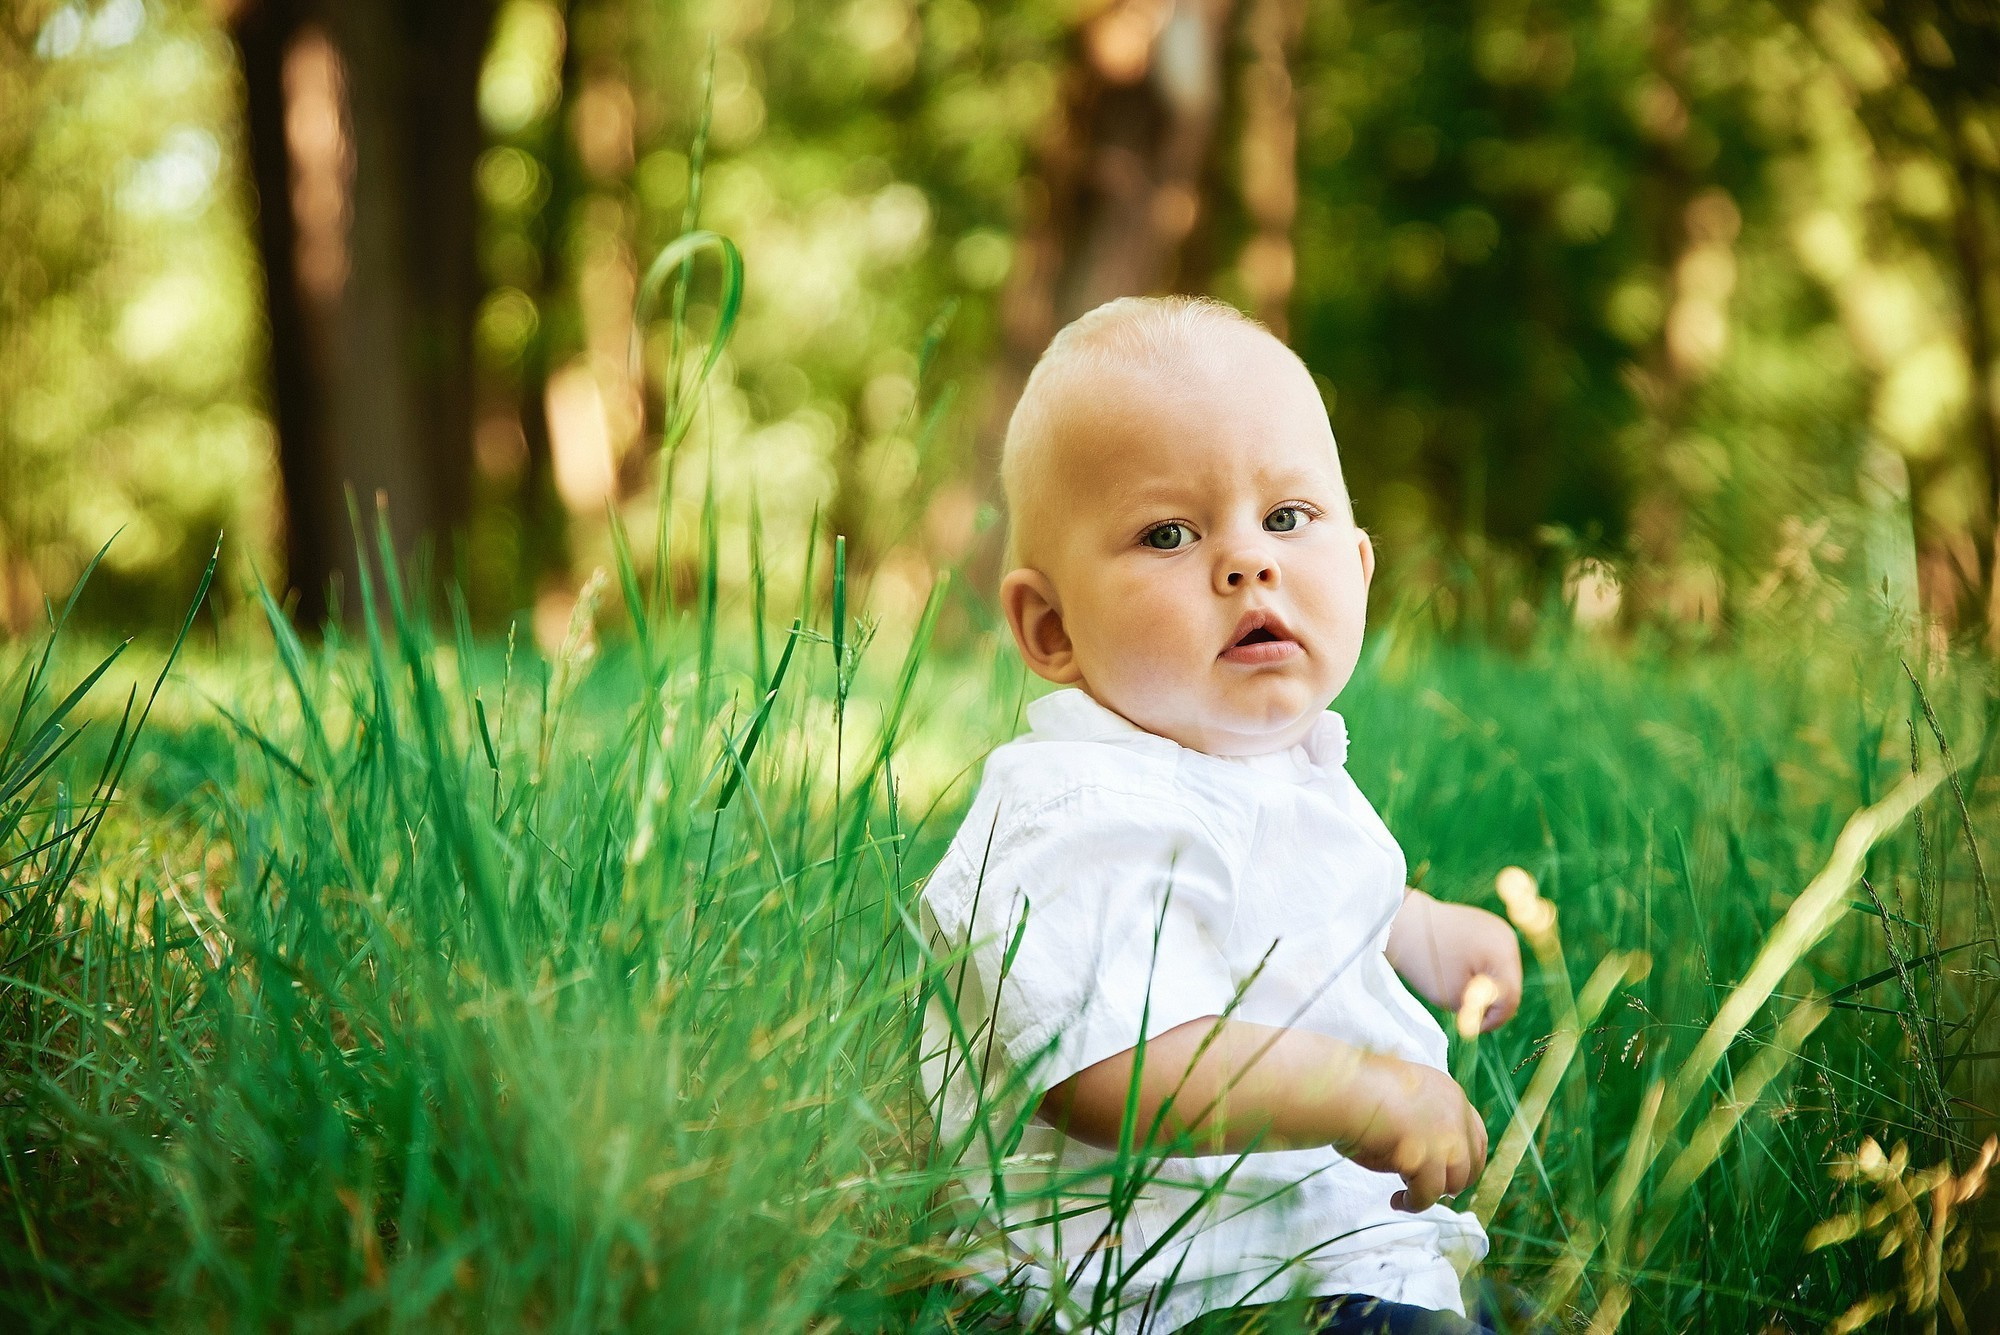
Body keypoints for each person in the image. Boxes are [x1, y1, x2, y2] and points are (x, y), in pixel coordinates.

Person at [919, 296, 1528, 1334]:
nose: (1248, 562)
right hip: (1173, 1292)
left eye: (1287, 519)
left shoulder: (1273, 767)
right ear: (1051, 627)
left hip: (1337, 1254)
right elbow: (1110, 1069)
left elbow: (1291, 907)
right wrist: (1360, 1092)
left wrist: (1419, 929)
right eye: (1167, 533)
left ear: (1360, 568)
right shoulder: (1075, 809)